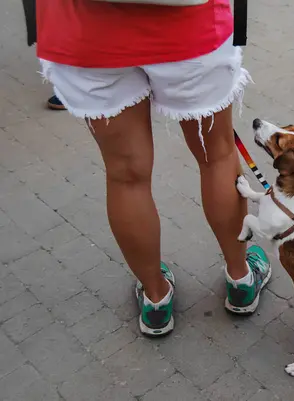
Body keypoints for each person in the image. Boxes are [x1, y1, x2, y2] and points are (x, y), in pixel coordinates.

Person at [36, 0, 271, 337]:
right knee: (217, 157)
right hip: (189, 28)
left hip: (87, 33)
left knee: (125, 176)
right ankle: (241, 278)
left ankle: (156, 299)